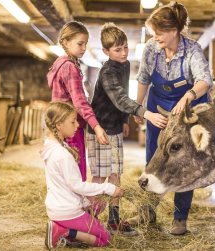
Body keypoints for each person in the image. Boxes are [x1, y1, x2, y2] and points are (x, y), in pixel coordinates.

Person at [134, 1, 213, 235]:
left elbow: (204, 81)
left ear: (174, 31)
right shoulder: (151, 49)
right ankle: (147, 212)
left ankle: (180, 218)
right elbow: (143, 78)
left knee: (182, 161)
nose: (155, 36)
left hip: (185, 109)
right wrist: (138, 107)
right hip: (158, 107)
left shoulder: (192, 50)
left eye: (159, 32)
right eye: (153, 32)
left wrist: (188, 96)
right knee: (154, 158)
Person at [87, 22, 167, 236]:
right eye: (117, 49)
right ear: (106, 51)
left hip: (114, 128)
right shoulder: (107, 73)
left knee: (115, 176)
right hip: (100, 130)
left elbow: (123, 95)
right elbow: (120, 98)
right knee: (98, 177)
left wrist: (124, 119)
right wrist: (145, 113)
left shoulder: (123, 65)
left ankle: (113, 221)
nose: (123, 53)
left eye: (125, 47)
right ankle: (89, 220)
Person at [41, 101, 123, 250]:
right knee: (105, 238)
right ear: (59, 125)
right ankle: (63, 231)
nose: (77, 125)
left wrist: (86, 203)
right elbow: (77, 186)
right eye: (73, 122)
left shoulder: (51, 146)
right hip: (67, 211)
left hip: (57, 207)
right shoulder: (62, 154)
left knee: (97, 208)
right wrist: (108, 188)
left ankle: (65, 229)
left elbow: (68, 185)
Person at [47, 21, 109, 182]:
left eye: (85, 44)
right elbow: (79, 102)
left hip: (58, 125)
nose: (83, 48)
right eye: (80, 44)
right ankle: (76, 206)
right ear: (66, 42)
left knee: (62, 172)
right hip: (71, 125)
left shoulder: (58, 64)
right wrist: (96, 126)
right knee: (76, 170)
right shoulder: (69, 67)